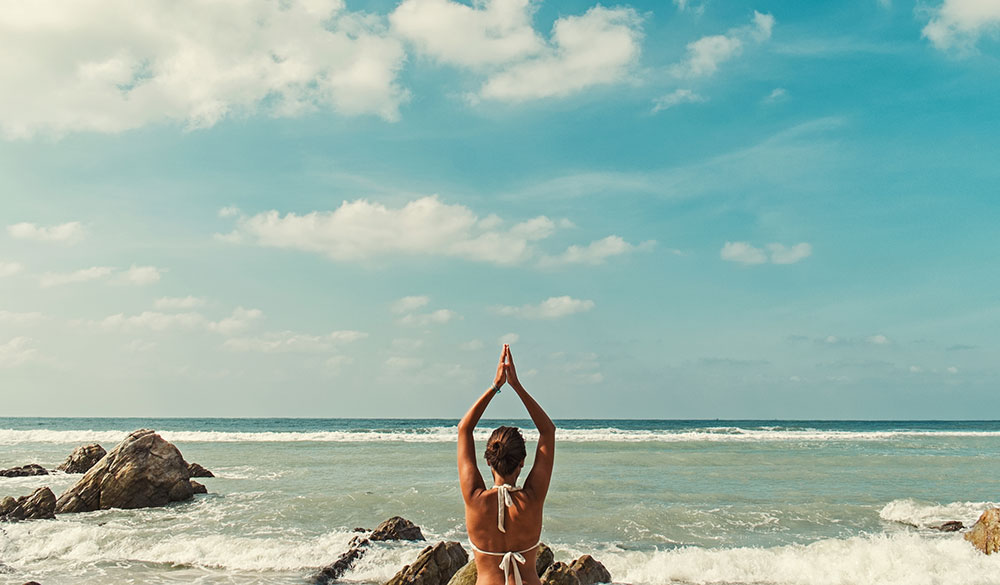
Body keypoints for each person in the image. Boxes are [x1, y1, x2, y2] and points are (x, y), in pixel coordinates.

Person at [458, 344, 555, 585]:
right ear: (522, 462)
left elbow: (464, 429)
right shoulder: (532, 499)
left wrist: (495, 386)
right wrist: (516, 386)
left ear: (488, 461)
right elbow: (547, 431)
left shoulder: (475, 499)